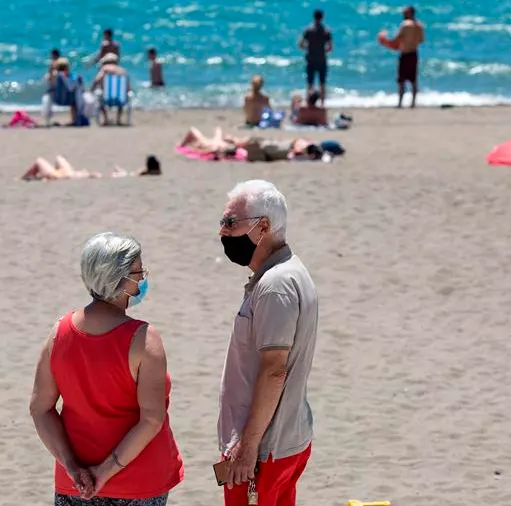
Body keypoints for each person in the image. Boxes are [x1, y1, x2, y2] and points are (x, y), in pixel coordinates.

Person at [30, 232, 184, 505]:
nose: (142, 279)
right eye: (139, 272)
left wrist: (72, 467)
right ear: (121, 279)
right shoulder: (144, 339)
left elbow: (40, 408)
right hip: (139, 482)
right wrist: (104, 472)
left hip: (75, 484)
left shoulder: (58, 334)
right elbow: (151, 420)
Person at [216, 180, 319, 506]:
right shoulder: (286, 273)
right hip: (279, 441)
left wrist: (248, 448)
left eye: (231, 223)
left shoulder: (276, 285)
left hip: (264, 450)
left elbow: (275, 370)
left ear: (263, 226)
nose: (222, 233)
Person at [178, 127, 318, 162]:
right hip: (257, 145)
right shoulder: (296, 147)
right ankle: (185, 143)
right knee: (211, 141)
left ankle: (221, 134)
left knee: (211, 141)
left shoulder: (295, 148)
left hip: (257, 146)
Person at [392, 5, 424, 108]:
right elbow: (421, 40)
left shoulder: (405, 25)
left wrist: (384, 40)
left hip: (405, 53)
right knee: (413, 80)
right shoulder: (420, 25)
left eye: (405, 12)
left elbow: (396, 38)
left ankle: (400, 103)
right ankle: (413, 103)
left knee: (401, 80)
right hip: (414, 53)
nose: (403, 14)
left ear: (410, 13)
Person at [298, 9, 332, 105]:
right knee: (322, 83)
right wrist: (322, 50)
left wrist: (309, 48)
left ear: (313, 17)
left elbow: (300, 44)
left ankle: (309, 103)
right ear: (322, 17)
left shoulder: (308, 30)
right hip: (322, 59)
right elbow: (330, 47)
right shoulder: (326, 31)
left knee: (310, 83)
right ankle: (322, 103)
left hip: (311, 59)